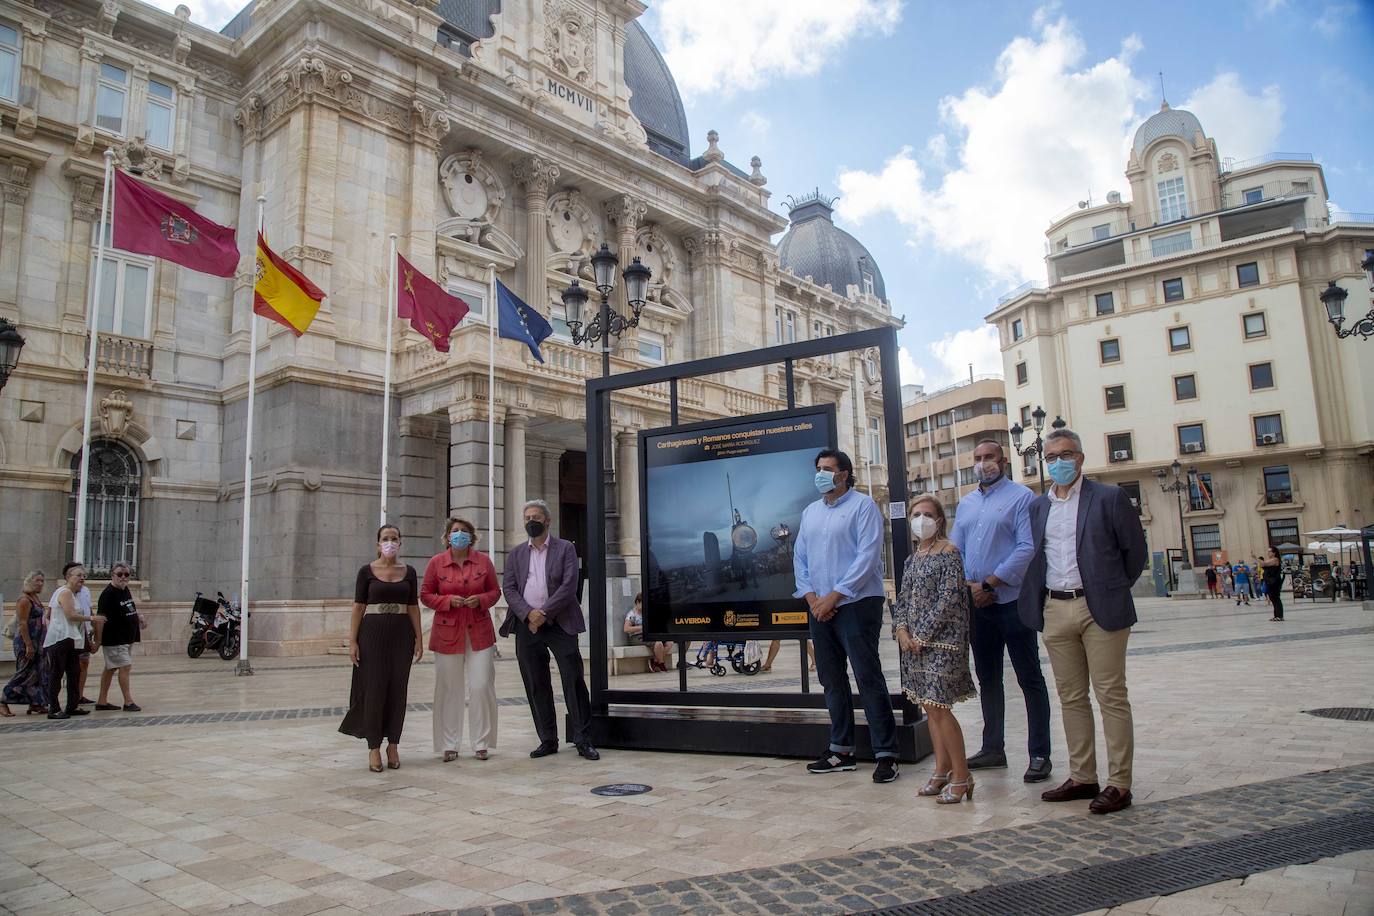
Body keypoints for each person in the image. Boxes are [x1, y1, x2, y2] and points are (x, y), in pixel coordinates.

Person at [1019, 429, 1146, 815]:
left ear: (1081, 457)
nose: (1059, 462)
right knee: (1071, 698)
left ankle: (1119, 784)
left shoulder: (1108, 497)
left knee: (1111, 695)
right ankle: (1082, 776)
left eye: (1066, 454)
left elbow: (1135, 552)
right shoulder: (1039, 506)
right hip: (1055, 609)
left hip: (1098, 607)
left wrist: (1109, 588)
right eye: (1052, 456)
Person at [793, 448, 900, 783]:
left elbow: (867, 557)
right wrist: (812, 597)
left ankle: (886, 754)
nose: (821, 474)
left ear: (844, 474)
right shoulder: (810, 512)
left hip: (856, 603)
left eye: (827, 469)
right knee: (831, 679)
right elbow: (800, 558)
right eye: (818, 469)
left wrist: (835, 596)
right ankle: (841, 749)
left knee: (867, 677)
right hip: (819, 607)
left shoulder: (863, 506)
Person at [949, 439, 1052, 783]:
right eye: (977, 458)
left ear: (1003, 461)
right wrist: (971, 587)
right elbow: (956, 551)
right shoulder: (966, 504)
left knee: (1029, 678)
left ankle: (1040, 753)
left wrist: (991, 583)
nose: (983, 463)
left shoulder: (1022, 498)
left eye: (989, 457)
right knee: (988, 678)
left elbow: (1027, 547)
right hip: (977, 605)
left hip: (1011, 603)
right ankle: (993, 747)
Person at [894, 495, 977, 804]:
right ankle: (941, 771)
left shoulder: (950, 554)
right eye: (916, 514)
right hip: (913, 646)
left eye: (927, 514)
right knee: (929, 708)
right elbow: (903, 599)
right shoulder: (912, 559)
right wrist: (901, 630)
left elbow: (948, 600)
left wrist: (922, 636)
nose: (921, 519)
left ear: (940, 520)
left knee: (940, 708)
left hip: (942, 643)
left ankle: (961, 774)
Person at [500, 499, 598, 760]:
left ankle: (583, 739)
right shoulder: (516, 554)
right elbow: (509, 588)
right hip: (527, 624)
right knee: (536, 682)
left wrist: (543, 613)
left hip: (560, 622)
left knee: (573, 679)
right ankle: (547, 739)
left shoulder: (565, 549)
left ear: (547, 520)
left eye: (536, 516)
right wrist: (528, 613)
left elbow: (569, 585)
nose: (531, 520)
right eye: (527, 516)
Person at [340, 525, 423, 772]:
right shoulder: (366, 572)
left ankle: (393, 744)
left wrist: (419, 638)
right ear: (378, 544)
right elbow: (358, 607)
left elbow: (413, 606)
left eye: (394, 538)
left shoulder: (409, 572)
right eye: (385, 539)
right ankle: (374, 746)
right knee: (374, 690)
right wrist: (353, 641)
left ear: (400, 542)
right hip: (372, 634)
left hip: (401, 635)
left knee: (398, 690)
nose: (390, 542)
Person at [421, 518, 500, 762]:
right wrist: (446, 601)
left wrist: (482, 600)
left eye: (464, 531)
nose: (459, 535)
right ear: (447, 536)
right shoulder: (437, 563)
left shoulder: (483, 561)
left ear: (472, 536)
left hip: (479, 631)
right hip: (447, 631)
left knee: (481, 685)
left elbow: (495, 591)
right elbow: (425, 594)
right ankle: (449, 743)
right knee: (449, 688)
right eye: (455, 531)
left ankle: (481, 742)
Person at [43, 562, 103, 720]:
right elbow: (70, 615)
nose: (82, 578)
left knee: (74, 672)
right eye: (78, 575)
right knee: (57, 673)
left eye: (84, 576)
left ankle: (72, 705)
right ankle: (54, 708)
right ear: (68, 577)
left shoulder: (75, 593)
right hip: (61, 638)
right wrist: (92, 618)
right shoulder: (65, 593)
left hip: (72, 638)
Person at [93, 563, 142, 712]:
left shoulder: (125, 590)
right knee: (125, 667)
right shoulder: (108, 594)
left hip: (127, 637)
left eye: (126, 574)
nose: (123, 577)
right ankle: (128, 701)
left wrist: (139, 617)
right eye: (120, 574)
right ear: (112, 575)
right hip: (115, 638)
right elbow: (100, 618)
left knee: (111, 668)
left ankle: (102, 701)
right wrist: (98, 641)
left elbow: (128, 608)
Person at [3, 571, 50, 716]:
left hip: (39, 641)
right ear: (29, 581)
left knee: (37, 673)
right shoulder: (24, 600)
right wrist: (29, 645)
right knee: (24, 673)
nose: (40, 583)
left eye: (42, 581)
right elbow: (22, 624)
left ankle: (36, 703)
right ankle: (3, 700)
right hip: (27, 641)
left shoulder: (35, 598)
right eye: (37, 580)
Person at [623, 593, 671, 672]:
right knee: (658, 643)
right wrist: (641, 628)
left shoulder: (647, 612)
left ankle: (655, 661)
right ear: (637, 602)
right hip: (636, 637)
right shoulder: (632, 614)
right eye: (643, 604)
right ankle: (661, 664)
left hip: (648, 634)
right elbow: (626, 629)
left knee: (669, 642)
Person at [1261, 547, 1285, 621]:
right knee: (1273, 598)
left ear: (1274, 552)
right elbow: (1263, 565)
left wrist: (1256, 558)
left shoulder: (1275, 559)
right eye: (1268, 551)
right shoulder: (1270, 560)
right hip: (1270, 582)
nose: (1268, 553)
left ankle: (1280, 616)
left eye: (1270, 551)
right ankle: (1276, 616)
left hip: (1275, 582)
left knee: (1276, 598)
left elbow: (1264, 564)